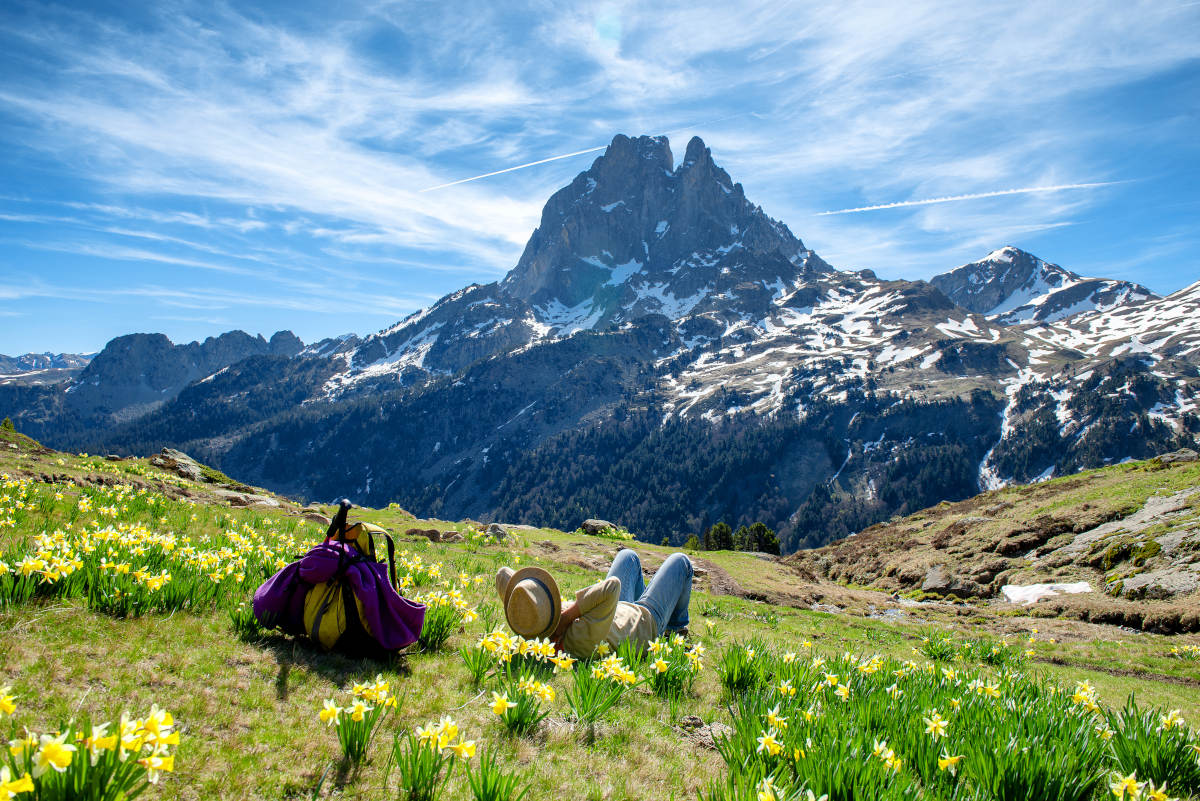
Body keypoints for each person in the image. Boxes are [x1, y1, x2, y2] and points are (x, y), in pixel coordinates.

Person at [495, 549, 693, 659]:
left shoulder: (534, 624)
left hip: (613, 613)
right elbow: (611, 587)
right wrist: (566, 617)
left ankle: (659, 609)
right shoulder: (579, 638)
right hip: (645, 623)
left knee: (628, 557)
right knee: (681, 561)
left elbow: (502, 575)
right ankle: (674, 633)